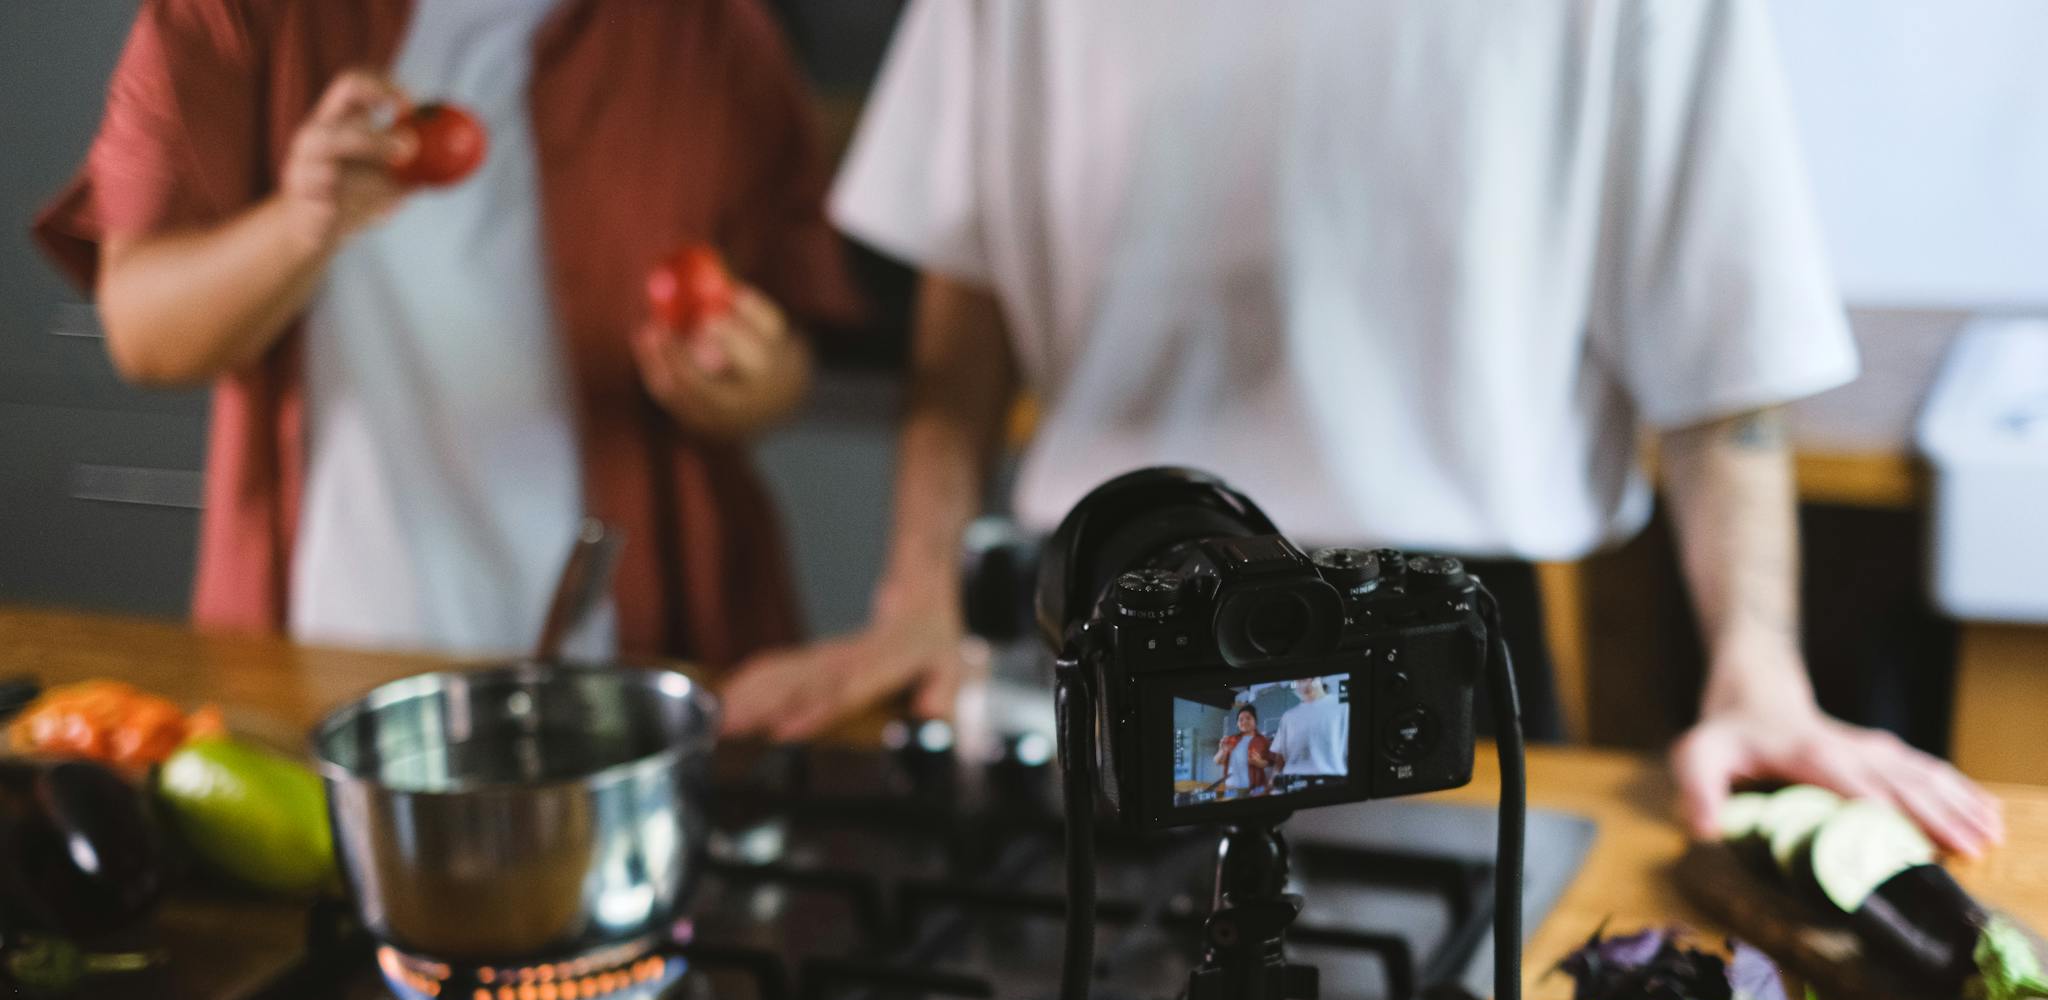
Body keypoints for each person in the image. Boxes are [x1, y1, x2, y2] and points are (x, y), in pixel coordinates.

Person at [721, 0, 2003, 857]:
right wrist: (912, 595)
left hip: (1445, 636)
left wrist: (1760, 666)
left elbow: (1720, 353)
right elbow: (967, 286)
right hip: (1113, 617)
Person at [35, 0, 860, 664]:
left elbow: (791, 352)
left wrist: (748, 385)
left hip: (643, 649)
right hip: (334, 645)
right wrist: (299, 223)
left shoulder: (715, 34)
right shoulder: (236, 15)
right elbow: (142, 331)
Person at [1267, 677, 1349, 790]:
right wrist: (1274, 779)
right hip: (1293, 784)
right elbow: (1280, 756)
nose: (1301, 683)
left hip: (1332, 782)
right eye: (1298, 680)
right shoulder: (1288, 716)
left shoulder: (1343, 706)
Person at [1211, 704, 1272, 799]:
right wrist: (1223, 751)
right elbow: (1217, 761)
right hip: (1230, 787)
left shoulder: (1263, 740)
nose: (1244, 721)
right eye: (1241, 719)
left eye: (1248, 718)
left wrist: (1258, 762)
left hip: (1254, 789)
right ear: (1237, 723)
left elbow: (1269, 763)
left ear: (1255, 721)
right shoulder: (1231, 739)